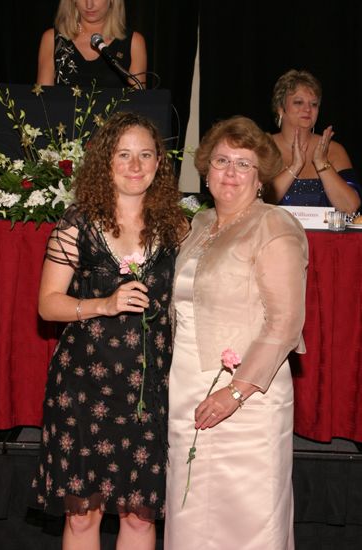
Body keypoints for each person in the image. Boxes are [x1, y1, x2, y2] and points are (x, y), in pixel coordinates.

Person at [30, 111, 188, 550]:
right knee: (83, 517)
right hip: (83, 388)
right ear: (106, 162)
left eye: (145, 155)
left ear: (159, 164)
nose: (135, 166)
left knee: (139, 517)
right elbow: (47, 304)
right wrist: (104, 304)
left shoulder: (178, 227)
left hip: (149, 389)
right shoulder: (76, 224)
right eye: (124, 155)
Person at [164, 116, 309, 550]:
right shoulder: (198, 225)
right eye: (222, 161)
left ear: (260, 177)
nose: (230, 172)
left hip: (250, 398)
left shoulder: (275, 226)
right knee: (190, 511)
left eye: (243, 164)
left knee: (247, 517)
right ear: (206, 171)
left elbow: (285, 324)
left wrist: (236, 392)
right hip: (187, 388)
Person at [269, 69, 361, 213]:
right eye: (298, 102)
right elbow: (256, 205)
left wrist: (322, 163)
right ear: (280, 109)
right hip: (274, 235)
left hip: (326, 236)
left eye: (314, 104)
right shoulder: (261, 147)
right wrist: (295, 167)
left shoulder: (334, 150)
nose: (307, 109)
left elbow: (350, 208)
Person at [37, 0, 147, 88]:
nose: (89, 4)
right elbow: (43, 101)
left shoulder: (134, 42)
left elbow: (138, 104)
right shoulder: (52, 39)